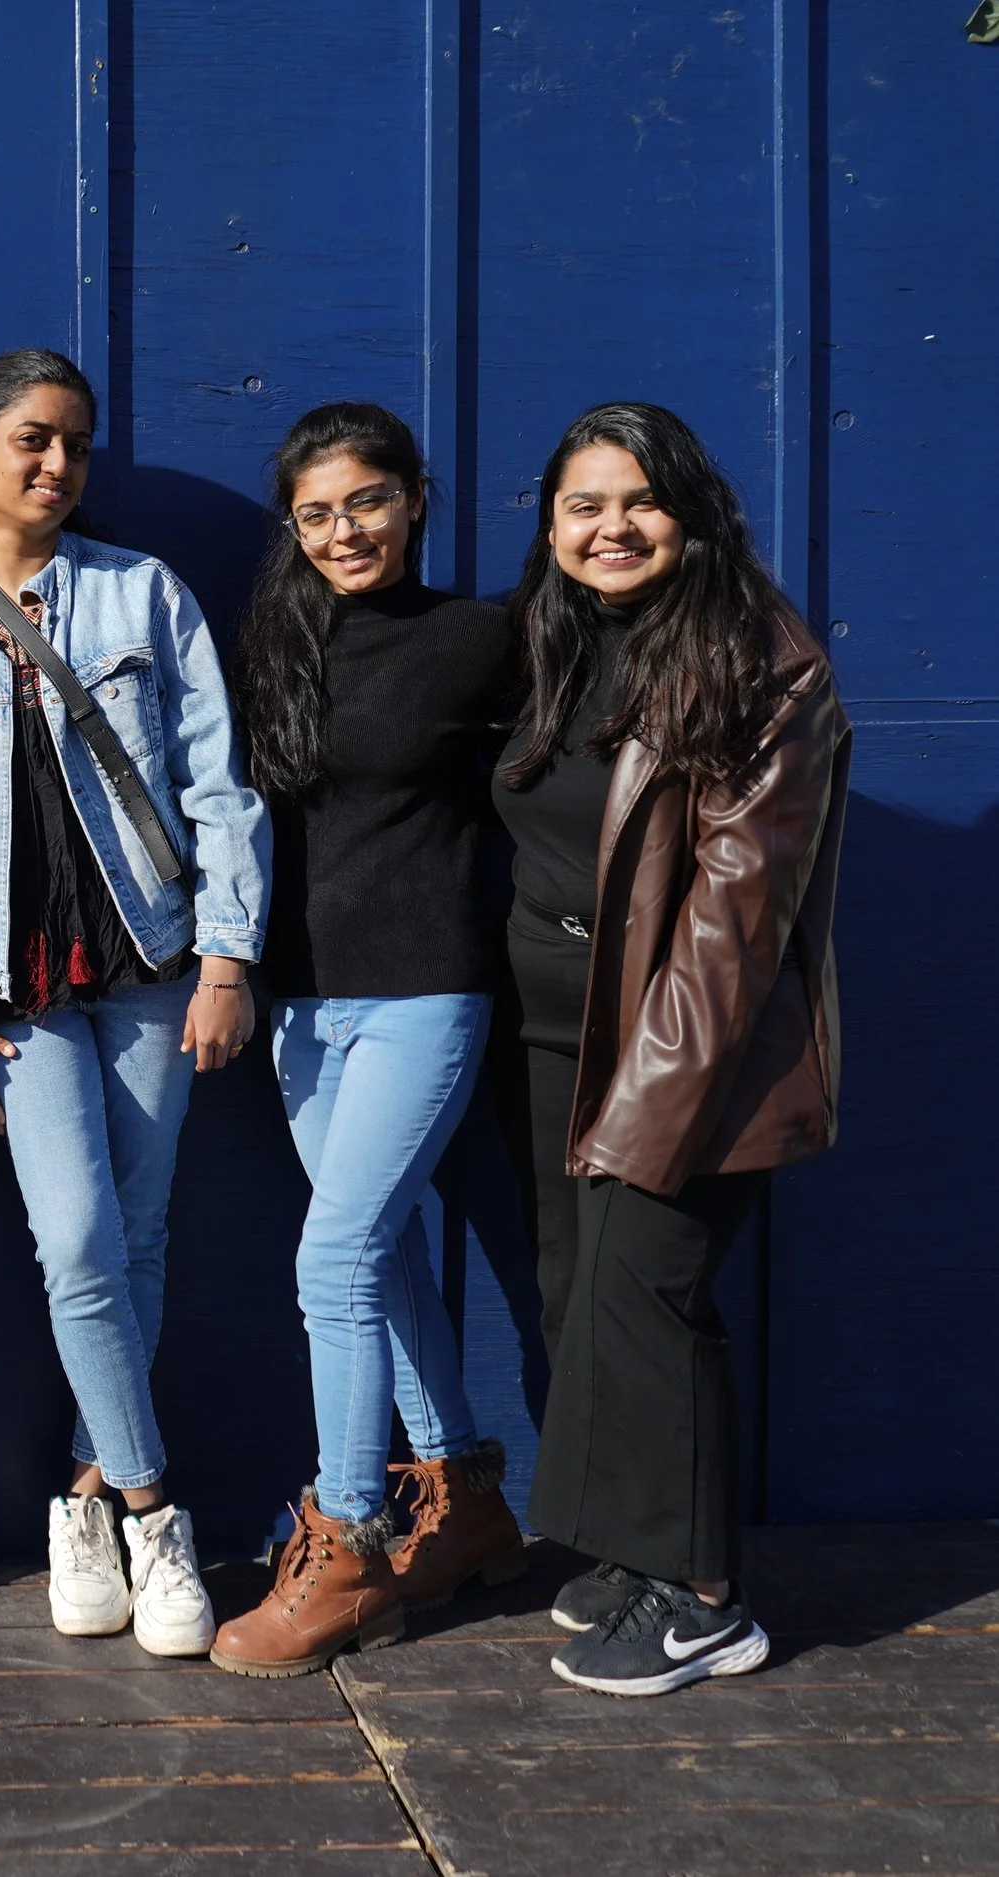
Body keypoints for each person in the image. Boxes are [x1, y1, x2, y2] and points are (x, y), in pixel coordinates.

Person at [0, 349, 266, 1659]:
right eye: (34, 440)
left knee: (141, 1242)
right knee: (83, 1244)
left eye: (78, 446)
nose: (58, 466)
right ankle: (156, 1509)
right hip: (18, 999)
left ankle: (87, 1498)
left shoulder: (143, 596)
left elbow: (219, 782)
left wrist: (228, 957)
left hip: (155, 972)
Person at [496, 403, 846, 1697]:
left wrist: (653, 1103)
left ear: (690, 511)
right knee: (577, 1292)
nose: (611, 527)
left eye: (637, 500)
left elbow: (733, 923)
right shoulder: (561, 639)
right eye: (582, 505)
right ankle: (640, 1552)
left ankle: (705, 1603)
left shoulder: (766, 660)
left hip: (683, 1045)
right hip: (549, 1036)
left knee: (647, 1293)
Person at [210, 404, 524, 1679]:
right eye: (319, 512)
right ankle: (465, 1497)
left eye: (369, 500)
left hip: (425, 991)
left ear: (415, 498)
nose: (347, 530)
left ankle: (344, 1540)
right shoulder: (276, 643)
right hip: (299, 1002)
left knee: (333, 1255)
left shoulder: (484, 639)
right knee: (377, 1251)